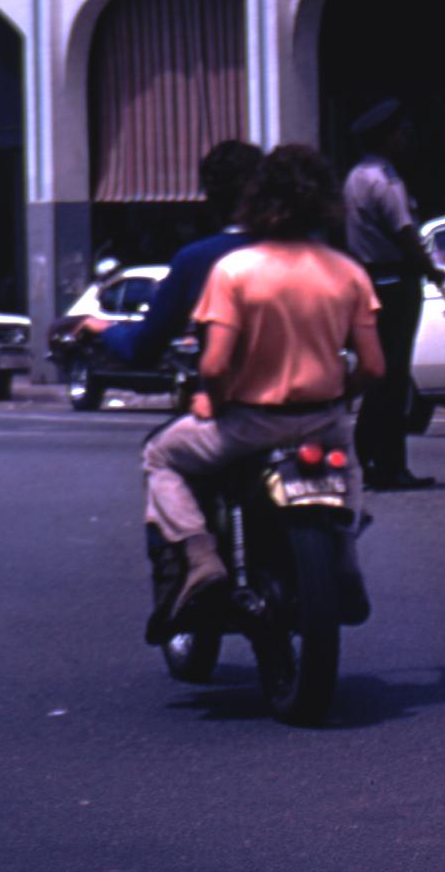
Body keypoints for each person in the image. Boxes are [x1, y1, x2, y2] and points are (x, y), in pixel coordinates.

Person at [142, 141, 382, 631]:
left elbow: (214, 365)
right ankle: (345, 557)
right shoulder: (349, 272)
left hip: (249, 425)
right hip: (324, 422)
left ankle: (201, 558)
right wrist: (340, 395)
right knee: (350, 474)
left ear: (258, 199)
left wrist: (214, 400)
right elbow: (375, 366)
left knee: (160, 456)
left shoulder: (235, 271)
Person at [98, 138, 262, 381]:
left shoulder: (198, 260)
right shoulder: (310, 255)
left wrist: (104, 329)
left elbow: (144, 346)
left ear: (210, 197)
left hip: (236, 396)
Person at [343, 106, 440, 491]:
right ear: (386, 137)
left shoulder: (355, 177)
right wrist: (430, 269)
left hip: (367, 279)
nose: (406, 139)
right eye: (401, 132)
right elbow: (404, 232)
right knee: (395, 376)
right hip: (396, 281)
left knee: (378, 374)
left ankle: (366, 456)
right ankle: (391, 465)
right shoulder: (386, 181)